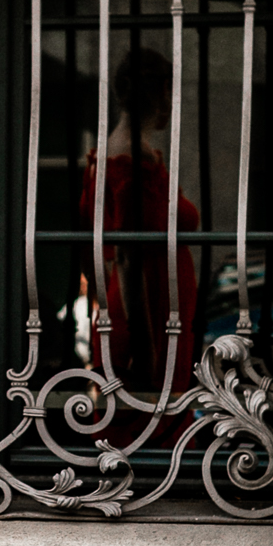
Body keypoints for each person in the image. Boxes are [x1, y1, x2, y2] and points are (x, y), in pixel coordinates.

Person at [78, 49, 199, 400]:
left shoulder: (104, 156)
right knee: (150, 414)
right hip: (148, 310)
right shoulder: (131, 157)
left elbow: (90, 246)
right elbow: (129, 257)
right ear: (162, 90)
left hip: (131, 306)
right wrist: (146, 352)